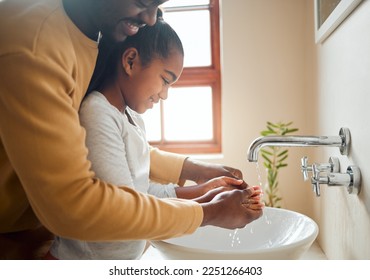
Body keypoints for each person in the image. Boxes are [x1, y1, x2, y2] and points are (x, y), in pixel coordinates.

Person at [0, 0, 263, 260]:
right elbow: (74, 205)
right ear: (130, 61)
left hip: (34, 229)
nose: (150, 19)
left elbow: (120, 161)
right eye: (142, 2)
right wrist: (209, 211)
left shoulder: (100, 40)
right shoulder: (38, 45)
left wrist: (196, 175)